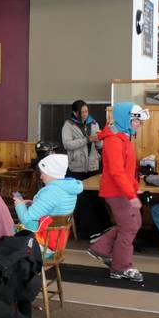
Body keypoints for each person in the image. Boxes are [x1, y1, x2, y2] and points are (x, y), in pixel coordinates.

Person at [87, 103, 149, 283]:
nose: (139, 124)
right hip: (117, 192)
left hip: (124, 190)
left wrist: (135, 188)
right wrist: (131, 195)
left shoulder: (123, 137)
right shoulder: (114, 140)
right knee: (129, 227)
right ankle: (121, 267)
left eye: (139, 120)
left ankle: (101, 248)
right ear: (125, 118)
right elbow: (116, 172)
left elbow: (128, 170)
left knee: (134, 223)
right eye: (136, 120)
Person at [61, 100, 109, 238]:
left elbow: (100, 146)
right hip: (76, 168)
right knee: (82, 201)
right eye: (82, 112)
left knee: (97, 198)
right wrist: (87, 139)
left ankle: (107, 227)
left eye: (86, 111)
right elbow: (67, 144)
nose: (85, 114)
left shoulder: (94, 123)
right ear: (75, 112)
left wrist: (99, 139)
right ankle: (94, 231)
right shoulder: (68, 125)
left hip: (93, 166)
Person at [13, 153, 83, 232]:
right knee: (12, 228)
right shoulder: (68, 188)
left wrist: (19, 205)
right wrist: (34, 203)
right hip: (58, 234)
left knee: (10, 230)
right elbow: (53, 208)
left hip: (40, 234)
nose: (41, 177)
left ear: (51, 173)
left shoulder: (50, 192)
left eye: (42, 173)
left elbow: (27, 220)